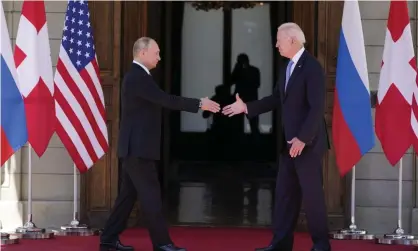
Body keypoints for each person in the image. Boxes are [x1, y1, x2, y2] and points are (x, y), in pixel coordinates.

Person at [100, 37, 220, 251]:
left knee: (127, 197)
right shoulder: (137, 77)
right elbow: (165, 100)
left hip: (135, 149)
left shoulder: (140, 76)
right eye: (156, 53)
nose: (159, 57)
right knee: (151, 196)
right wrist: (199, 104)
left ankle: (108, 239)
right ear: (143, 53)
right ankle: (162, 244)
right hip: (138, 150)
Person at [222, 23, 331, 251]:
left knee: (312, 198)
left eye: (279, 40)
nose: (276, 45)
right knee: (284, 195)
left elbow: (316, 108)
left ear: (292, 40)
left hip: (307, 143)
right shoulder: (286, 68)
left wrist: (303, 138)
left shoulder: (312, 67)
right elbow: (275, 99)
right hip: (289, 143)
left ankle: (321, 245)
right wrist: (247, 108)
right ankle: (280, 244)